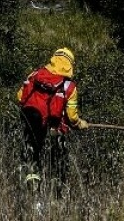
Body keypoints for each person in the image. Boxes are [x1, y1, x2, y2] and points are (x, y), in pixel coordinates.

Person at [16, 47, 89, 186]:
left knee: (31, 150)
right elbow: (72, 117)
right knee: (56, 158)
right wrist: (80, 123)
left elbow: (20, 96)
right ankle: (55, 188)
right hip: (50, 126)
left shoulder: (36, 74)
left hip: (27, 116)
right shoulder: (69, 86)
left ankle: (31, 183)